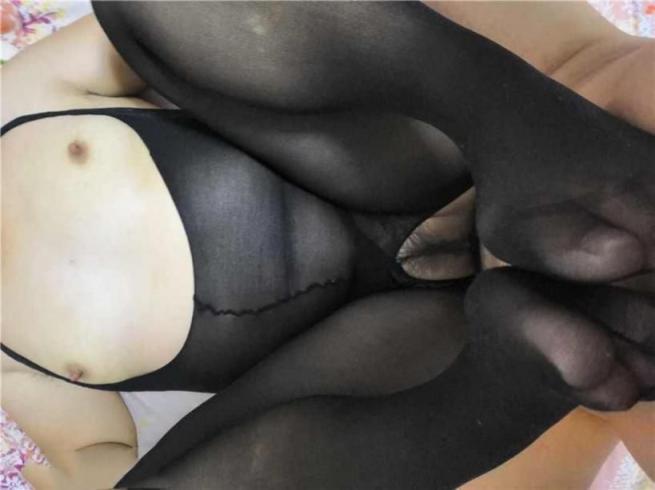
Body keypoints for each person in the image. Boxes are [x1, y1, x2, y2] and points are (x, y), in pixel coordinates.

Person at [1, 4, 653, 489]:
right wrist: (77, 476)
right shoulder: (7, 369)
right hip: (403, 348)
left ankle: (520, 130)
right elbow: (96, 450)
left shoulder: (15, 96)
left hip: (385, 157)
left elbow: (162, 48)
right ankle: (518, 381)